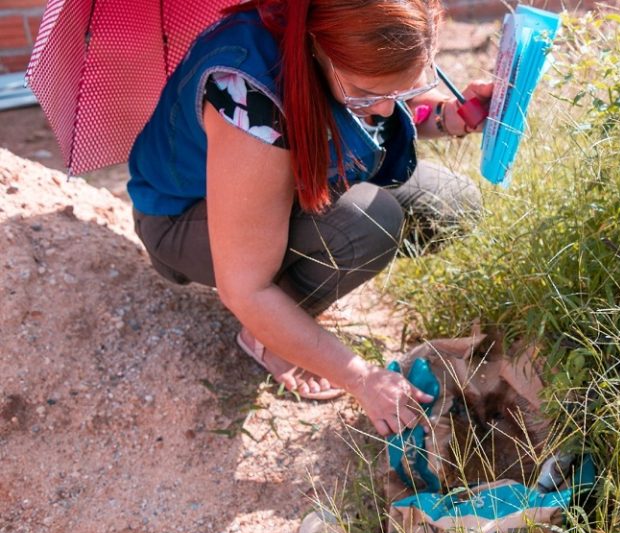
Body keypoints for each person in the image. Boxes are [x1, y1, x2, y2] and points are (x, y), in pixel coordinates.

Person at [127, 0, 493, 437]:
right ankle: (268, 335)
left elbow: (386, 103)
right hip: (186, 220)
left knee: (451, 204)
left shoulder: (352, 39)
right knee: (366, 224)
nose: (383, 109)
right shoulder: (249, 100)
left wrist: (450, 116)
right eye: (366, 93)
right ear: (321, 47)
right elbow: (245, 288)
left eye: (401, 90)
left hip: (284, 177)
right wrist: (361, 378)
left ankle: (292, 308)